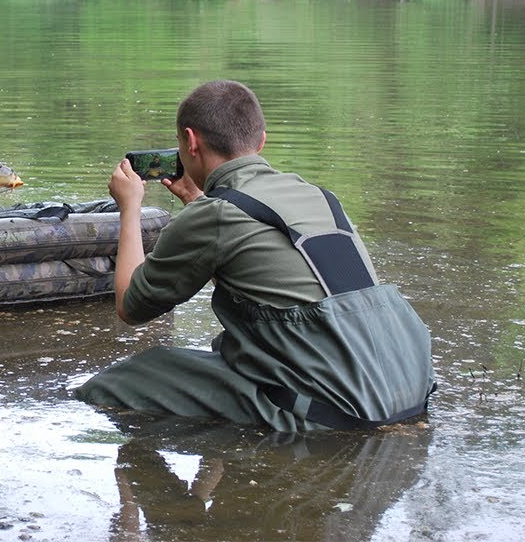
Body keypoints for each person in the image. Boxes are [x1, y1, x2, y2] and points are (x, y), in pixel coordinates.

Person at [75, 80, 435, 432]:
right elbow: (249, 266)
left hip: (335, 412)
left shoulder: (215, 215)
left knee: (118, 383)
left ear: (190, 141)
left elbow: (131, 306)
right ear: (261, 141)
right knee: (223, 350)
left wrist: (130, 208)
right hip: (401, 390)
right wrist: (195, 202)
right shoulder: (319, 196)